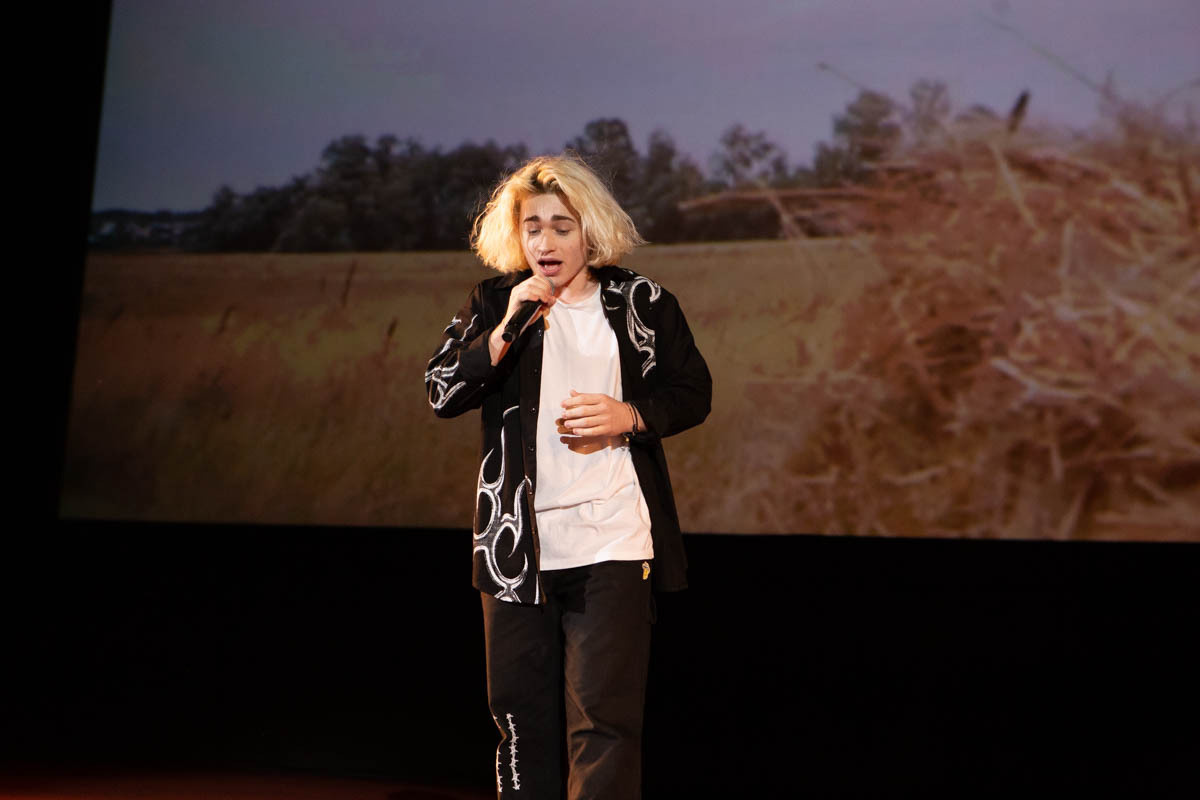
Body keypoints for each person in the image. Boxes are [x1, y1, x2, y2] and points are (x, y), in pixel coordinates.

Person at [425, 153, 711, 799]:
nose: (545, 242)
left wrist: (631, 414)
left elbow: (694, 391)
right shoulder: (496, 302)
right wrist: (500, 334)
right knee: (520, 727)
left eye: (561, 225)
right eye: (532, 227)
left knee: (604, 726)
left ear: (590, 230)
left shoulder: (641, 302)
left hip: (612, 541)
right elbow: (440, 391)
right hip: (515, 549)